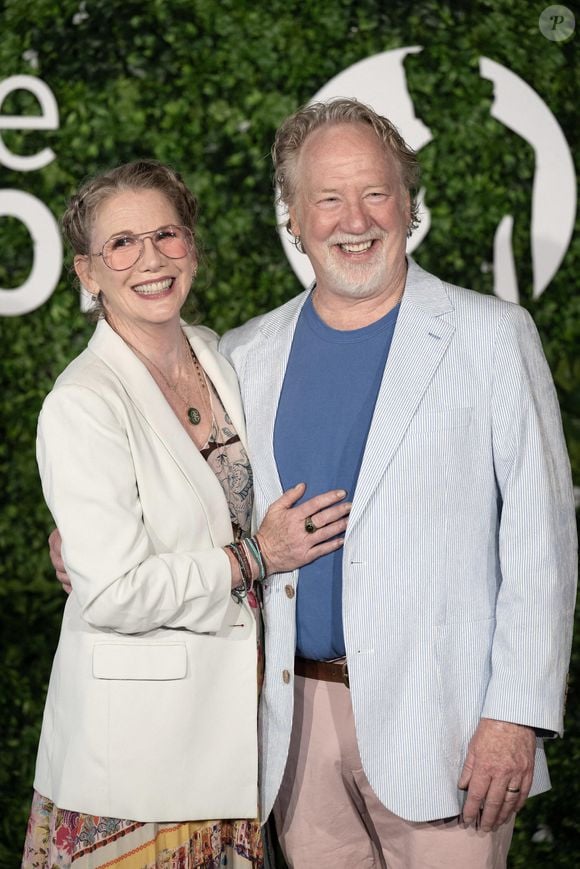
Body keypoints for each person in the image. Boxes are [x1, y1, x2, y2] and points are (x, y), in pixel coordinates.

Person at [217, 99, 578, 868]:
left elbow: (541, 542)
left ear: (409, 204)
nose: (355, 220)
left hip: (450, 727)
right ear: (293, 219)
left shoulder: (492, 336)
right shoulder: (245, 354)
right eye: (328, 198)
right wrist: (88, 538)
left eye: (375, 192)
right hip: (295, 730)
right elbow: (196, 494)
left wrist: (514, 716)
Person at [23, 159, 351, 869]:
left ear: (192, 248)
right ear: (87, 272)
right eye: (122, 244)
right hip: (137, 767)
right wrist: (256, 557)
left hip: (232, 743)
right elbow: (113, 593)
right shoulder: (82, 402)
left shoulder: (215, 354)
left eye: (166, 234)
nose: (151, 259)